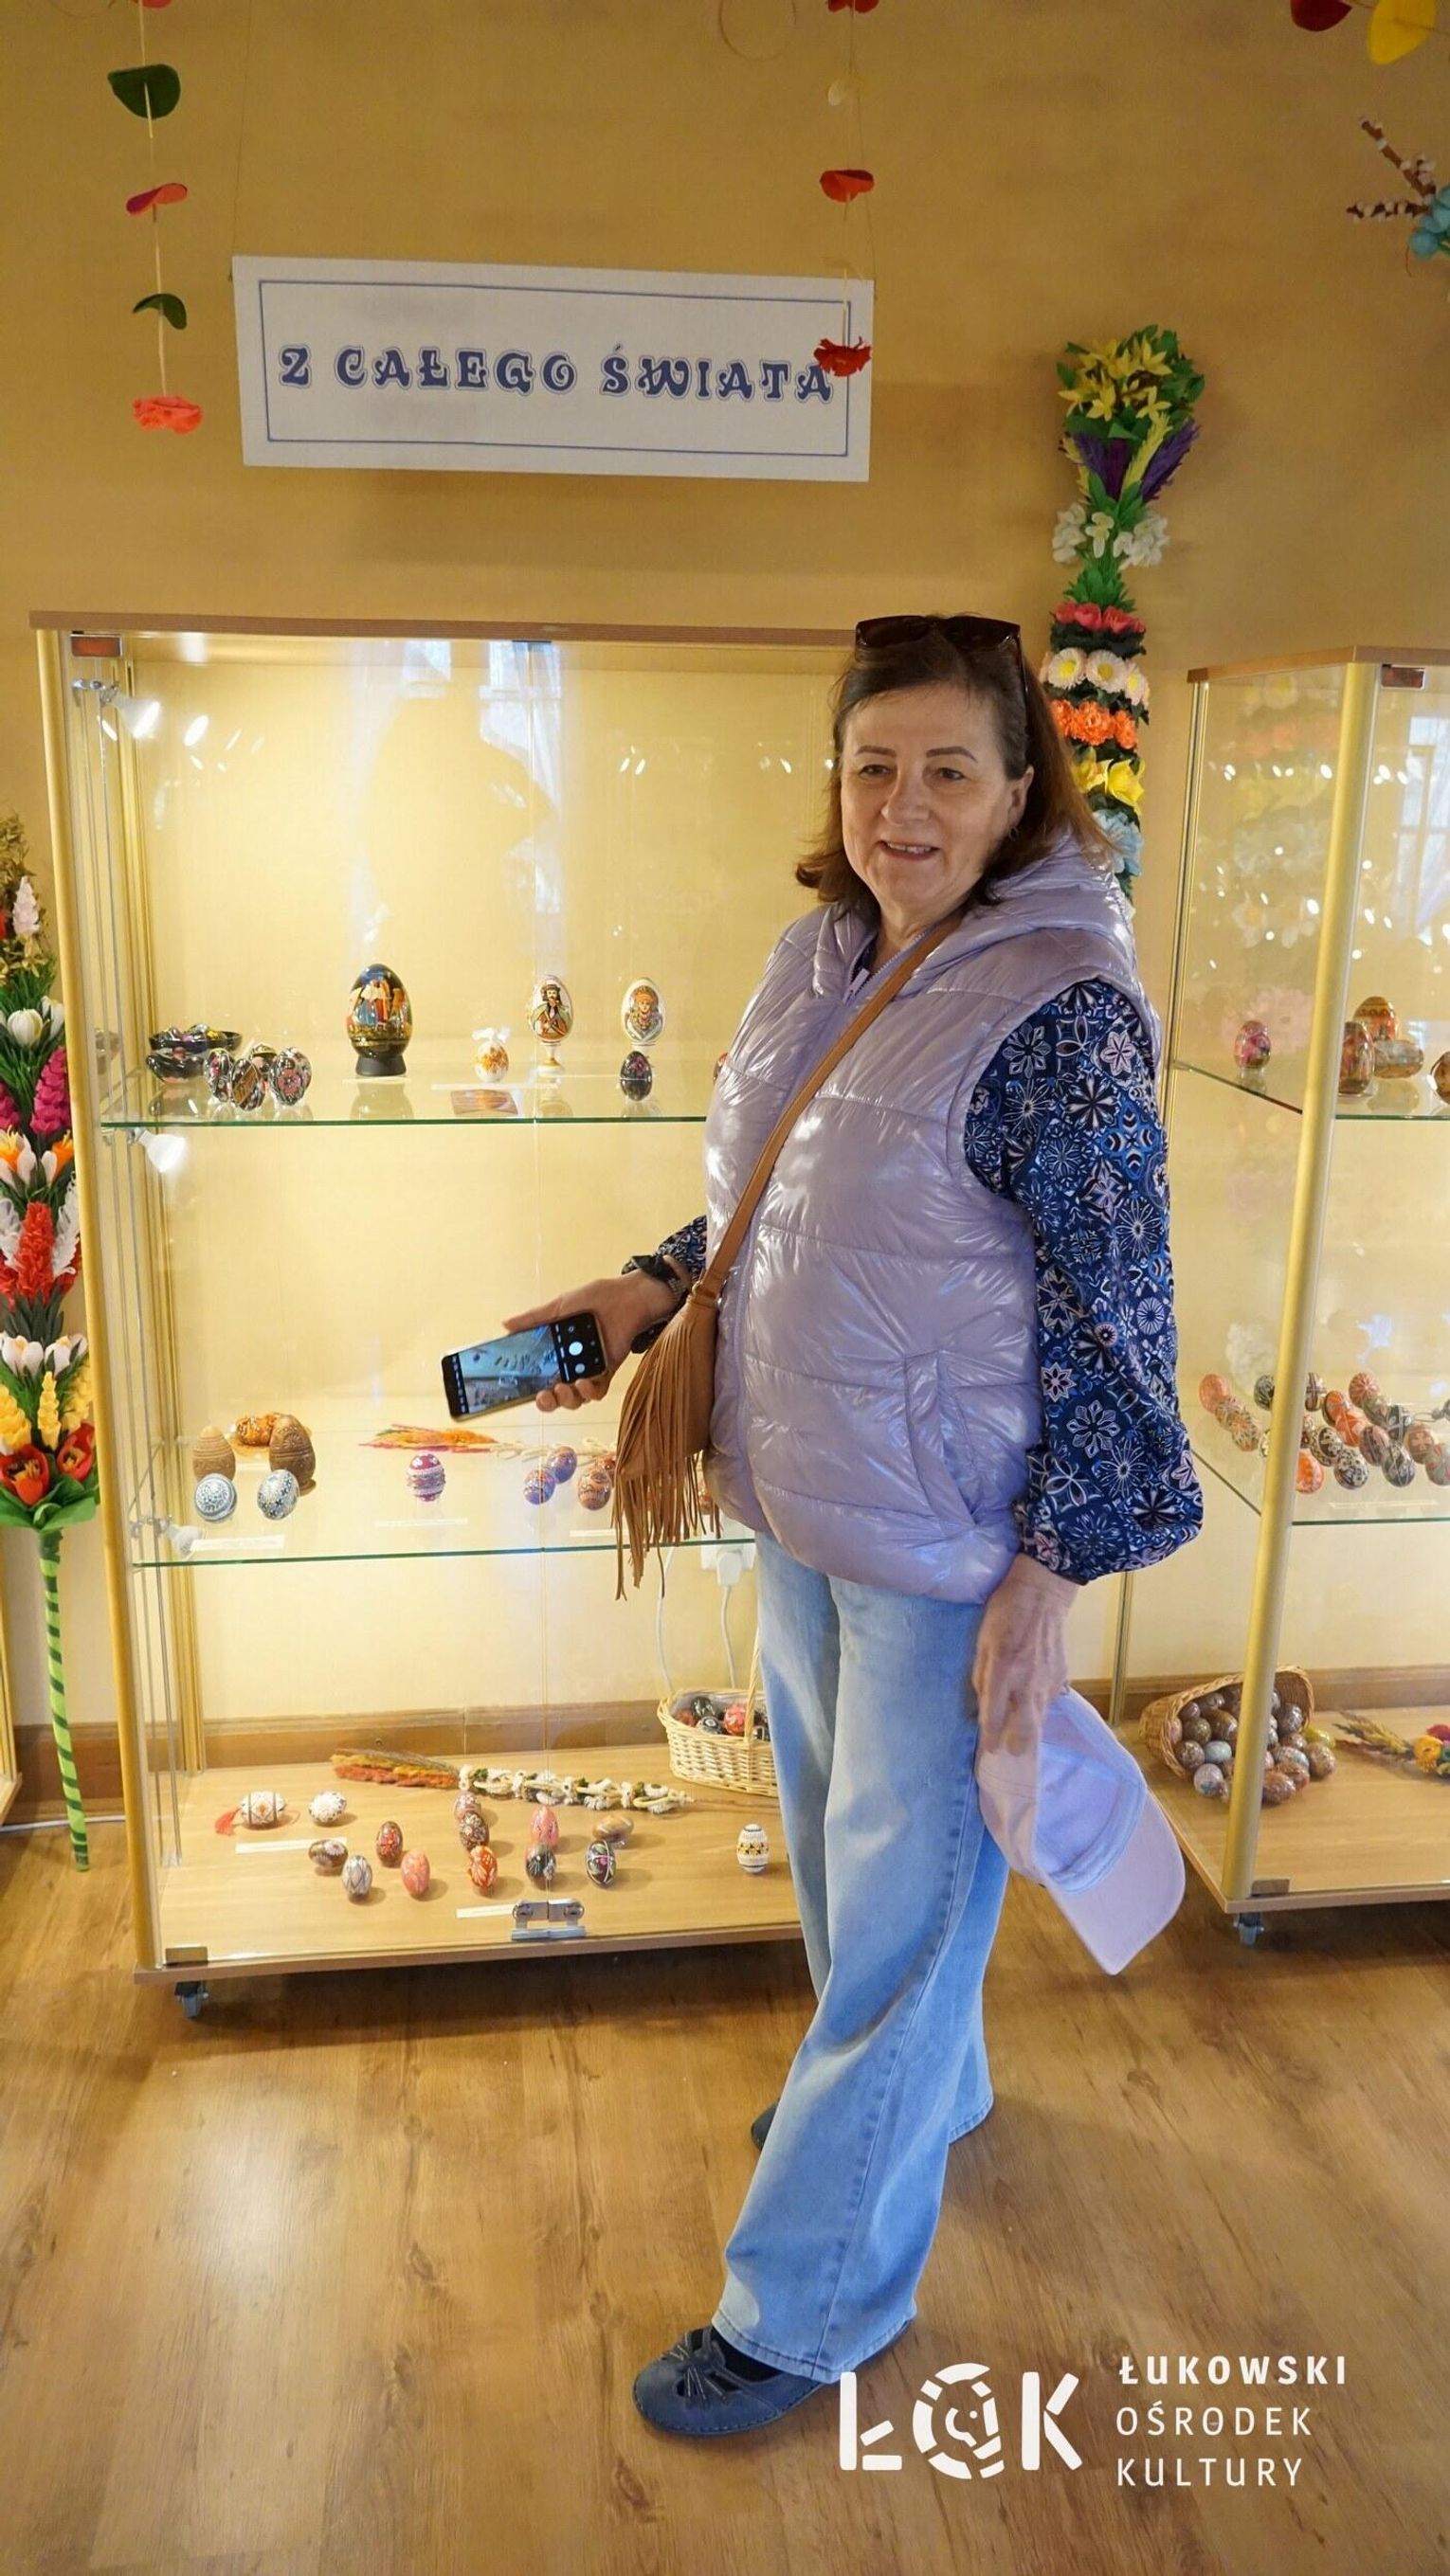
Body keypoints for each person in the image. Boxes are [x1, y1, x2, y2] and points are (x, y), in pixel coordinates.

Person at [503, 611, 1203, 2440]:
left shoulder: (1059, 1010)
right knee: (845, 1872)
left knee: (900, 1925)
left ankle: (807, 2307)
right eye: (872, 765)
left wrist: (1045, 1584)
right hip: (801, 1496)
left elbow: (1118, 1316)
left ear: (1019, 787)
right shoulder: (821, 952)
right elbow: (778, 1198)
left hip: (945, 1549)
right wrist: (653, 1285)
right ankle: (913, 2100)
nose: (903, 806)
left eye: (948, 769)